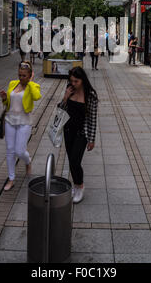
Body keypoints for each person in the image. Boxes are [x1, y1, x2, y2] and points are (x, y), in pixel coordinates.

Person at [0, 61, 42, 191]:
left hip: (24, 122)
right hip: (9, 121)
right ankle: (11, 179)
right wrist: (3, 98)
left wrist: (30, 82)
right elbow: (7, 103)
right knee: (10, 150)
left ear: (29, 75)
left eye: (24, 75)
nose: (21, 78)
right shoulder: (13, 84)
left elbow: (37, 97)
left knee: (20, 151)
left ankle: (28, 161)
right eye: (20, 75)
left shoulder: (33, 86)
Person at [58, 67, 98, 204]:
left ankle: (80, 186)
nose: (73, 84)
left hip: (82, 133)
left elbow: (92, 119)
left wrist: (91, 140)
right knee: (71, 161)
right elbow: (60, 111)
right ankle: (75, 185)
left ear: (82, 80)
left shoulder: (91, 95)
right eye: (71, 81)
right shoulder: (70, 90)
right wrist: (65, 97)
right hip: (68, 131)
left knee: (75, 161)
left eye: (76, 81)